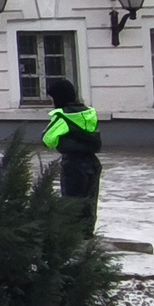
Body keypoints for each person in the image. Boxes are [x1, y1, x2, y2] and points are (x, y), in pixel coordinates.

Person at [40, 76, 101, 235]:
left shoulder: (62, 116)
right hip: (93, 162)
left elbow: (48, 139)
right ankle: (87, 235)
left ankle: (72, 238)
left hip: (73, 163)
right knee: (89, 201)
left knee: (71, 202)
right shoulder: (89, 113)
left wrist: (62, 139)